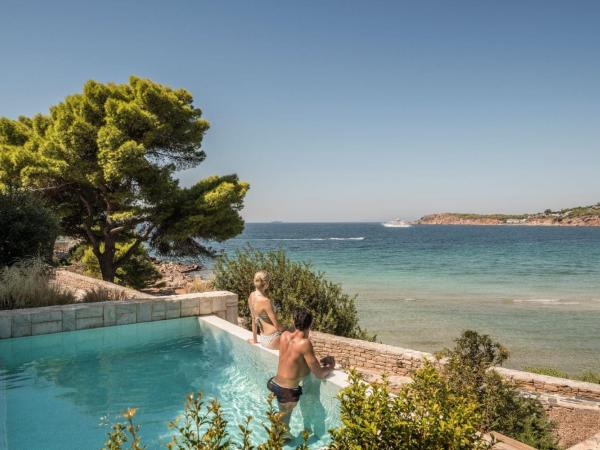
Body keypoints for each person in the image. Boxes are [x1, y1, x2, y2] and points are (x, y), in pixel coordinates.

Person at [267, 308, 336, 440]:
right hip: (288, 391)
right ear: (310, 324)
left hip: (274, 384)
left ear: (293, 321)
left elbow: (291, 357)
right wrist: (329, 366)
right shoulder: (305, 344)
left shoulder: (285, 335)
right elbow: (319, 373)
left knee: (281, 421)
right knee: (282, 430)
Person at [247, 270, 285, 349]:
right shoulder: (266, 301)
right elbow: (277, 326)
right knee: (296, 327)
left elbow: (253, 320)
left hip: (263, 339)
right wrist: (286, 330)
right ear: (266, 284)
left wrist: (255, 340)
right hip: (273, 338)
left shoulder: (251, 296)